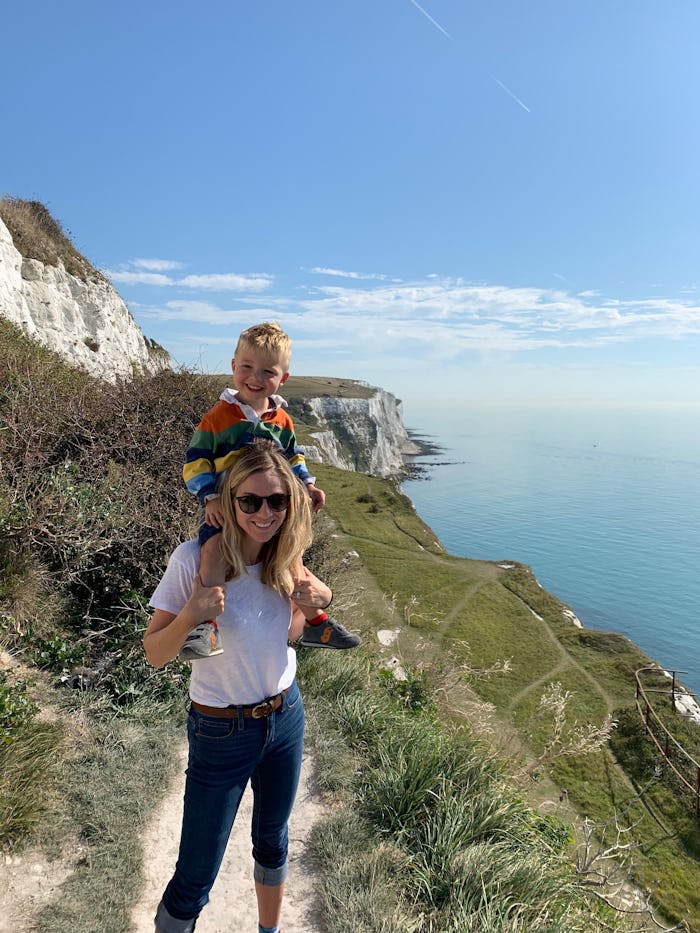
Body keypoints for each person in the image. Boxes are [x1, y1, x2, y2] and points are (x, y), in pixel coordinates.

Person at [144, 440, 332, 933]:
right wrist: (192, 613)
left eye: (277, 501)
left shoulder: (287, 558)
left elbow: (288, 635)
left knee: (273, 841)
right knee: (196, 875)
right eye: (249, 501)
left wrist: (316, 604)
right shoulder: (191, 561)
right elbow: (156, 654)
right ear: (228, 502)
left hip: (284, 716)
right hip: (221, 729)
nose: (264, 513)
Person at [181, 321, 360, 660]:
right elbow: (195, 461)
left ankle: (316, 622)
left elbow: (293, 458)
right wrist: (211, 496)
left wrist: (307, 484)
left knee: (291, 557)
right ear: (234, 367)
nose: (255, 377)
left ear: (283, 379)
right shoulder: (218, 418)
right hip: (229, 509)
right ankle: (206, 625)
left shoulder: (282, 420)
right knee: (212, 553)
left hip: (268, 509)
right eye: (246, 367)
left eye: (267, 371)